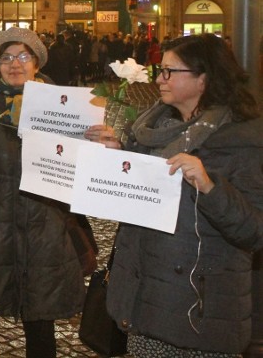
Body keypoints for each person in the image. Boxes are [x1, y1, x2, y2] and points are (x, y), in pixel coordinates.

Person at [84, 34, 263, 357]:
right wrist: (119, 156)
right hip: (145, 300)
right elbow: (140, 198)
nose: (160, 79)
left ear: (204, 78)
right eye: (159, 71)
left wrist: (210, 186)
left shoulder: (242, 139)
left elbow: (254, 231)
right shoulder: (154, 127)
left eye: (169, 72)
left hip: (199, 311)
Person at [0, 27, 84, 358]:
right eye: (6, 58)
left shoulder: (64, 108)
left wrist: (99, 142)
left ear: (36, 63)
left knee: (40, 323)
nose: (15, 64)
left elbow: (82, 168)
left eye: (23, 56)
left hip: (43, 229)